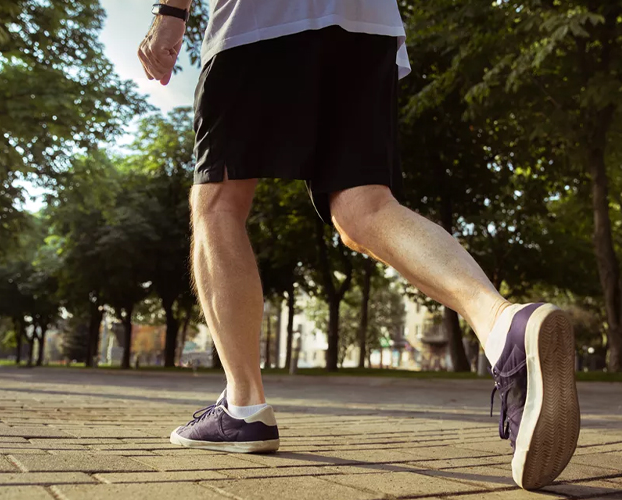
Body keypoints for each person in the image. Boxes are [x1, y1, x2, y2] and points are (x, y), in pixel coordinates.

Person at [137, 1, 580, 490]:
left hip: (256, 20)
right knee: (363, 210)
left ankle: (242, 406)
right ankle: (502, 325)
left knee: (218, 204)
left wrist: (170, 12)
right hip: (368, 22)